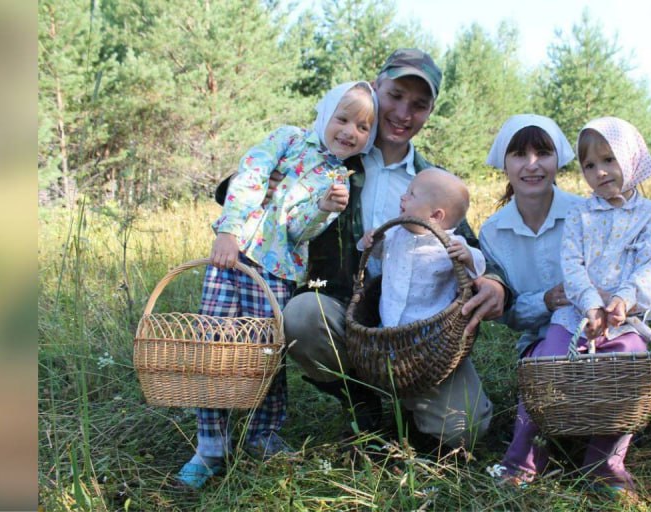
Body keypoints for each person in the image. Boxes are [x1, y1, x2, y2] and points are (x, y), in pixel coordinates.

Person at [281, 48, 509, 450]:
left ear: (430, 112)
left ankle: (409, 401)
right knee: (301, 316)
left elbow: (469, 245)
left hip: (418, 338)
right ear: (375, 87)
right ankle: (357, 396)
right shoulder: (331, 156)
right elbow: (266, 164)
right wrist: (253, 189)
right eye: (396, 95)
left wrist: (494, 282)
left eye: (419, 105)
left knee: (464, 428)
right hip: (345, 314)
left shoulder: (431, 181)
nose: (404, 113)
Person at [175, 81, 378, 489]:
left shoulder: (337, 177)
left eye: (362, 127)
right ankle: (210, 443)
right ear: (324, 114)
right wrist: (229, 231)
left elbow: (297, 232)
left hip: (280, 272)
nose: (349, 131)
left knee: (266, 353)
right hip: (234, 256)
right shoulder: (288, 138)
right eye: (342, 119)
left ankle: (261, 433)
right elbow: (250, 175)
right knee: (215, 347)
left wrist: (323, 210)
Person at [494, 116, 651, 497]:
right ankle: (521, 461)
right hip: (574, 314)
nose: (600, 172)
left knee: (628, 370)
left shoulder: (650, 215)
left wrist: (623, 300)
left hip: (624, 320)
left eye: (609, 160)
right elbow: (571, 265)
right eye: (590, 165)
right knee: (546, 367)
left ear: (632, 159)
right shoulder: (581, 214)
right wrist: (591, 305)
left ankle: (603, 464)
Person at [358, 168, 486, 328]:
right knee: (384, 347)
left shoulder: (451, 244)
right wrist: (371, 242)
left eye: (411, 194)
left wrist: (468, 256)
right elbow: (377, 254)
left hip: (432, 325)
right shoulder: (394, 233)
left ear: (435, 216)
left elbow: (478, 266)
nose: (402, 197)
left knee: (423, 352)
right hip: (388, 319)